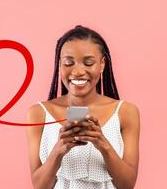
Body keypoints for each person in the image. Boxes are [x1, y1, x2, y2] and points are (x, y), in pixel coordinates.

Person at [26, 25, 139, 189]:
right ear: (59, 65)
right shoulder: (37, 113)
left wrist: (102, 144)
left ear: (102, 64)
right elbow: (39, 186)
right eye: (68, 63)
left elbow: (127, 185)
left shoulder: (126, 112)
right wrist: (59, 149)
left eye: (88, 63)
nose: (78, 71)